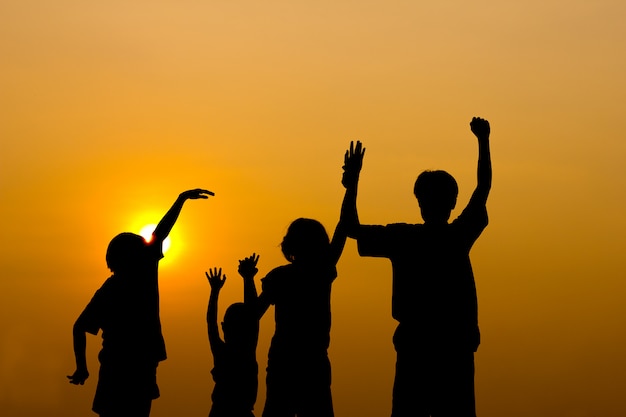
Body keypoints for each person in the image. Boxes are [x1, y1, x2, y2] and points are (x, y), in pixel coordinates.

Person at [340, 117, 492, 417]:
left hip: (420, 347)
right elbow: (484, 187)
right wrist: (483, 140)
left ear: (420, 201)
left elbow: (350, 228)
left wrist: (352, 184)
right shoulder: (455, 236)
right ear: (453, 202)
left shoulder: (404, 237)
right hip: (450, 348)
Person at [67, 188, 213, 417]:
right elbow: (161, 232)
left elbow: (79, 327)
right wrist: (181, 200)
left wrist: (82, 367)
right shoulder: (143, 271)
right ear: (132, 255)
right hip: (137, 365)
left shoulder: (108, 290)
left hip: (118, 368)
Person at [252, 186, 352, 416]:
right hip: (312, 361)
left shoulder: (281, 276)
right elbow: (343, 226)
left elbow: (253, 314)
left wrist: (248, 280)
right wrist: (351, 184)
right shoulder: (321, 271)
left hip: (283, 361)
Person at [206, 254, 261, 417]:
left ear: (224, 327)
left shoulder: (223, 352)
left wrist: (215, 292)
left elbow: (211, 323)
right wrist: (248, 278)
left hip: (223, 411)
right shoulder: (246, 351)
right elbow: (252, 315)